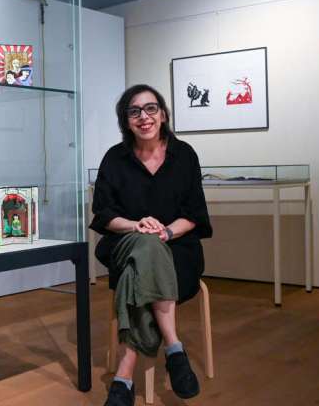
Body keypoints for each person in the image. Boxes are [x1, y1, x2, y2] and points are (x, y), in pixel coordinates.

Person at [91, 84, 212, 406]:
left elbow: (195, 214)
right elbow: (103, 214)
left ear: (163, 114)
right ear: (125, 120)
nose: (143, 117)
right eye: (134, 111)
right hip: (125, 241)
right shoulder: (114, 158)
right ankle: (174, 346)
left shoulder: (184, 154)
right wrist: (137, 225)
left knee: (140, 270)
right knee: (144, 250)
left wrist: (166, 233)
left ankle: (124, 376)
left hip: (178, 246)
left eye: (150, 108)